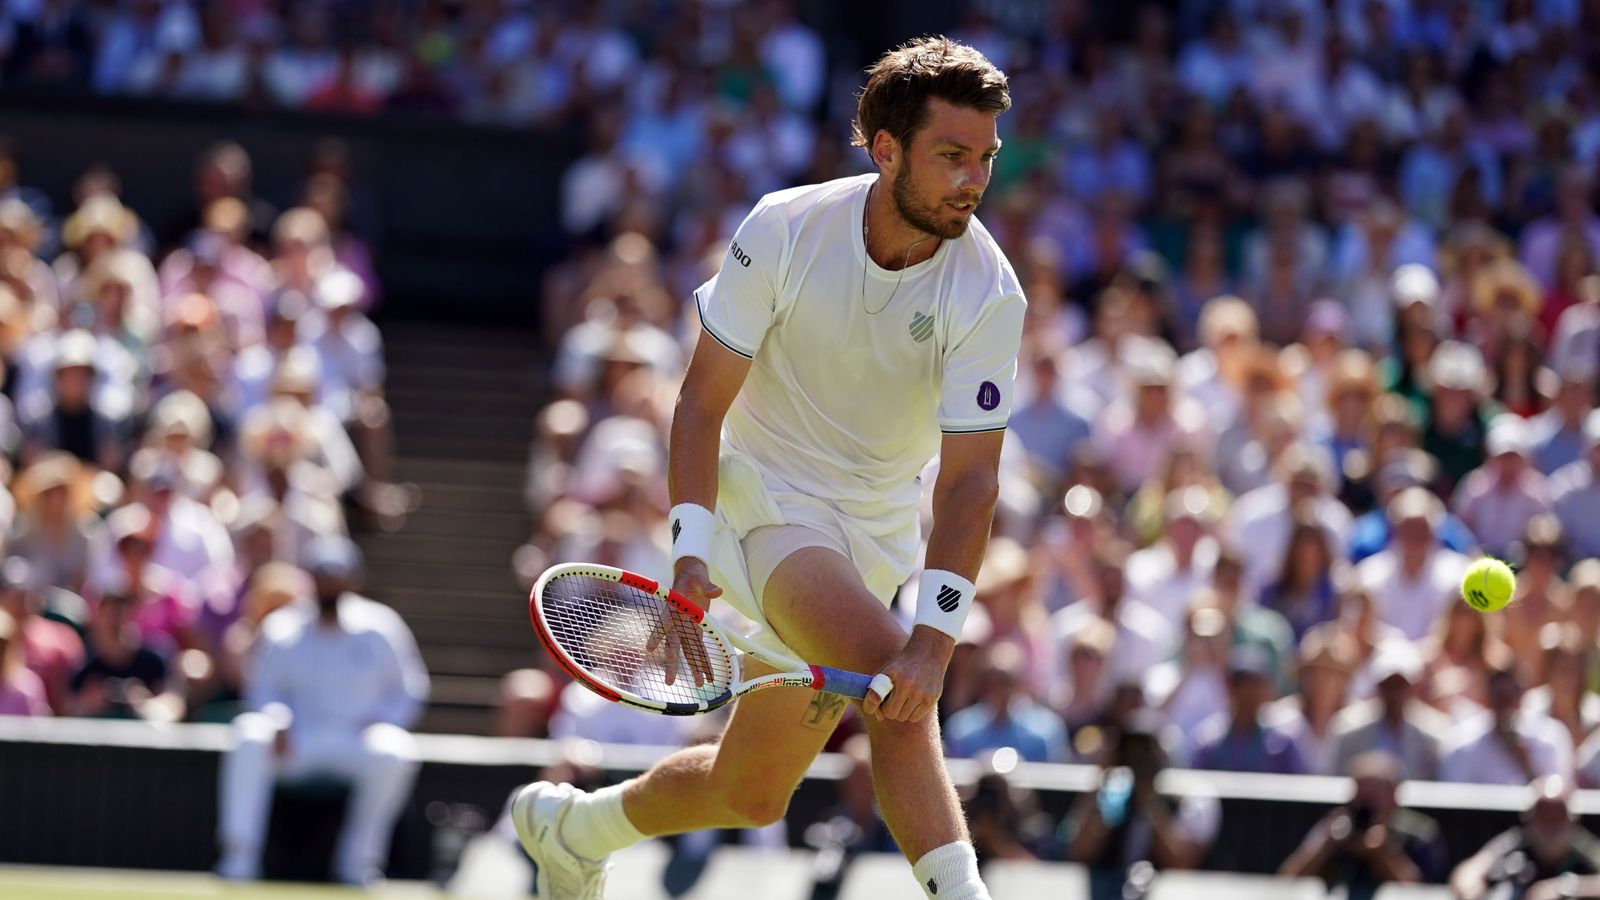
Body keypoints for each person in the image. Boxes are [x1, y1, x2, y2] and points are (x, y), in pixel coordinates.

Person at [512, 37, 1024, 900]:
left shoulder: (989, 290)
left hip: (873, 540)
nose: (972, 180)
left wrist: (941, 637)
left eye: (984, 159)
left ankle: (572, 829)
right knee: (899, 693)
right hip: (766, 505)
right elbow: (701, 403)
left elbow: (972, 484)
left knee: (748, 793)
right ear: (886, 148)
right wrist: (690, 554)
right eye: (950, 156)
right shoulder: (784, 227)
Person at [215, 535, 430, 886]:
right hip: (298, 743)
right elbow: (263, 689)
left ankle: (358, 864)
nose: (330, 584)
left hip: (355, 743)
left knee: (395, 750)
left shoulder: (382, 627)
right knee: (249, 736)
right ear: (310, 579)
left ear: (354, 579)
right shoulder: (282, 627)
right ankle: (239, 858)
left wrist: (383, 720)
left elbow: (410, 690)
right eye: (322, 576)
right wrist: (277, 719)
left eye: (338, 576)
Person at [1065, 709, 1219, 900]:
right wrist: (1102, 776)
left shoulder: (1185, 797)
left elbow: (1180, 861)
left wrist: (1149, 801)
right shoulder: (1114, 794)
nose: (1139, 758)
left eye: (1147, 750)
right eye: (1133, 749)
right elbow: (1081, 850)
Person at [1279, 751, 1448, 900]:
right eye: (1360, 796)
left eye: (1373, 797)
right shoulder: (1336, 827)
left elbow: (1421, 893)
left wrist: (1382, 854)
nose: (1365, 806)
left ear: (1394, 796)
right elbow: (1287, 880)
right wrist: (1326, 845)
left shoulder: (1418, 832)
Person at [1450, 776, 1600, 900]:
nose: (1550, 827)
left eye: (1558, 817)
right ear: (1529, 818)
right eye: (1543, 816)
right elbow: (1470, 870)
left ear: (1573, 821)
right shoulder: (1517, 842)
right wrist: (1472, 890)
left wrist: (1565, 889)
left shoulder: (1581, 847)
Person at [1327, 639, 1451, 781]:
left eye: (1400, 685)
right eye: (1388, 685)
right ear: (1378, 686)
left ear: (1412, 687)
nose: (1394, 693)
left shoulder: (1433, 736)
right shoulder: (1348, 730)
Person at [1441, 665, 1573, 785]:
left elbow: (1557, 800)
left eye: (1511, 696)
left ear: (1521, 697)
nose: (1506, 707)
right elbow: (1453, 797)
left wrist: (1524, 761)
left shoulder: (1549, 737)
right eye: (1500, 698)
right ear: (1488, 699)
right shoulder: (1463, 743)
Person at [1191, 643, 1307, 774]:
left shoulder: (1282, 744)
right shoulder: (1209, 742)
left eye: (1256, 684)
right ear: (1230, 687)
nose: (1248, 692)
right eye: (1241, 683)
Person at [943, 643, 1067, 763]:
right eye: (990, 679)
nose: (998, 688)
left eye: (1004, 680)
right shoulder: (961, 730)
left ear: (1019, 683)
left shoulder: (1046, 731)